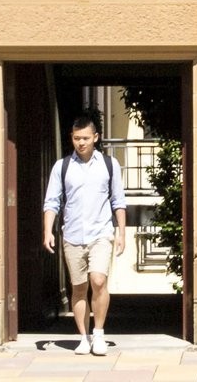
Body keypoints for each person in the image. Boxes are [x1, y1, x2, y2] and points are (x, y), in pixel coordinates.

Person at [41, 110, 128, 356]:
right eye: (77, 138)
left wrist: (121, 233)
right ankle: (83, 336)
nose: (81, 143)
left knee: (98, 281)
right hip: (72, 235)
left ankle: (99, 333)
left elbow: (118, 202)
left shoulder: (110, 165)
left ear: (96, 137)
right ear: (71, 138)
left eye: (86, 138)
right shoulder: (63, 167)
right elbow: (51, 202)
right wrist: (48, 230)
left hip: (101, 232)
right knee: (78, 287)